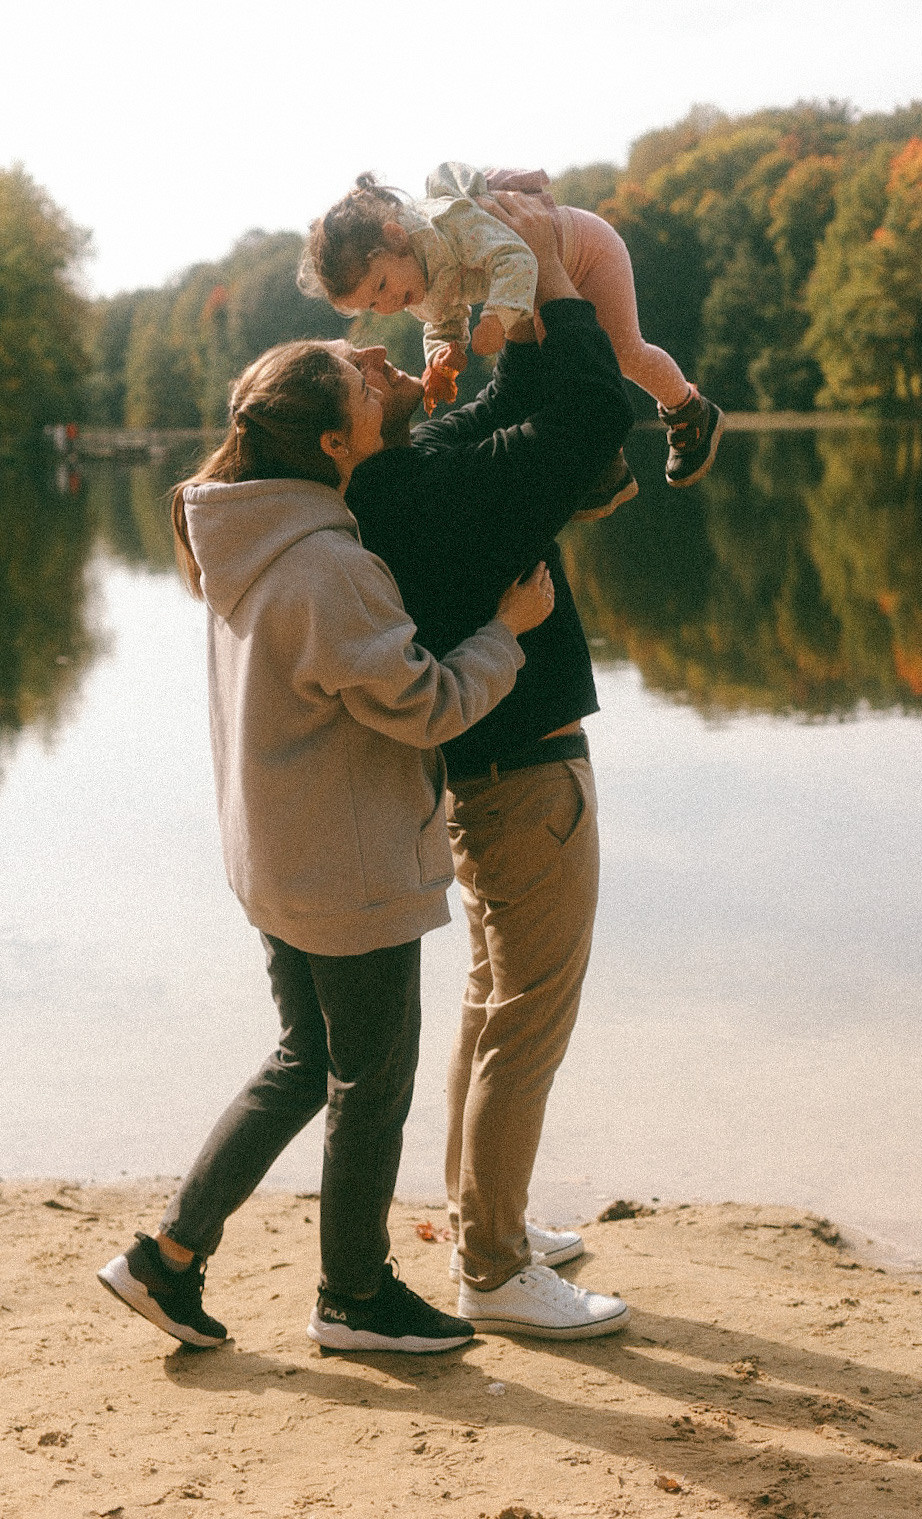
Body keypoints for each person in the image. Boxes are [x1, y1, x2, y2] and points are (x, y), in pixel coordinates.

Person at [97, 338, 558, 1355]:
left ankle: (164, 1258)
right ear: (331, 440)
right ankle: (353, 1295)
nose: (373, 373)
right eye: (358, 385)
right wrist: (506, 630)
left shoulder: (244, 536)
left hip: (278, 859)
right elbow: (427, 704)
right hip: (347, 875)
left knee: (307, 1061)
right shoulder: (328, 566)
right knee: (371, 1081)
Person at [309, 192, 635, 1339]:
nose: (381, 354)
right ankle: (494, 1268)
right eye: (361, 374)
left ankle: (476, 1215)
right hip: (527, 772)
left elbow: (519, 407)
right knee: (527, 1015)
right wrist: (546, 275)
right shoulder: (436, 489)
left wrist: (504, 336)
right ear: (342, 435)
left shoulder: (405, 476)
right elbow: (593, 412)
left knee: (494, 1003)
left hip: (484, 780)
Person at [300, 161, 724, 492]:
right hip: (541, 286)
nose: (389, 305)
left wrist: (492, 319)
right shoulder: (411, 283)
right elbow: (441, 322)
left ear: (396, 238)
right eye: (374, 305)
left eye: (381, 287)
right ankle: (602, 464)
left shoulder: (449, 223)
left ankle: (689, 408)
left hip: (583, 252)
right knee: (557, 370)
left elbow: (516, 259)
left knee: (623, 352)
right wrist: (442, 358)